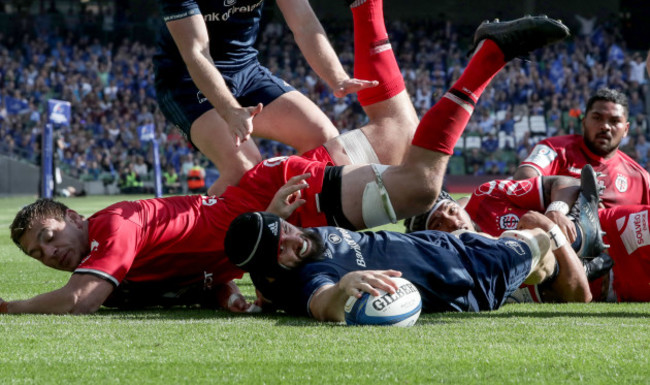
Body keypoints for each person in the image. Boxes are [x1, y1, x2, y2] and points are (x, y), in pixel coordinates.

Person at [0, 13, 569, 314]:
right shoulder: (119, 253)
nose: (47, 254)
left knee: (417, 183)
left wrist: (9, 306)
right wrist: (222, 290)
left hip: (268, 202)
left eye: (48, 236)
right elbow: (187, 268)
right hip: (252, 202)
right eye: (36, 254)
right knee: (396, 141)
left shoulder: (114, 229)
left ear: (74, 217)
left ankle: (489, 54)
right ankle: (370, 8)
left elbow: (80, 300)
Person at [153, 0, 379, 196]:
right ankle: (193, 237)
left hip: (246, 70)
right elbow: (196, 53)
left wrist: (337, 77)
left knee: (325, 140)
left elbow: (305, 23)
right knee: (243, 169)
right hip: (185, 80)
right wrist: (230, 110)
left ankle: (299, 232)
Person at [223, 211, 558, 320]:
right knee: (539, 238)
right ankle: (576, 237)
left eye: (286, 228)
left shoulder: (279, 265)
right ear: (272, 268)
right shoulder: (311, 275)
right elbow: (324, 304)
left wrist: (263, 302)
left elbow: (268, 289)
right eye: (282, 247)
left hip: (442, 242)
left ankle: (532, 286)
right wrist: (343, 286)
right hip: (469, 277)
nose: (294, 238)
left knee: (532, 254)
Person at [513, 88, 650, 208]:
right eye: (597, 118)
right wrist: (575, 198)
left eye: (614, 121)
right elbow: (523, 181)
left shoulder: (641, 179)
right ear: (584, 123)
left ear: (626, 129)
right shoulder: (555, 149)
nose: (605, 126)